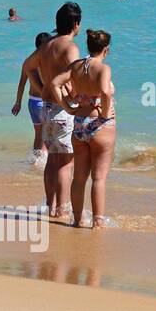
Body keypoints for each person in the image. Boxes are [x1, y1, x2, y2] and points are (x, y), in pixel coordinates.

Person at [51, 29, 116, 228]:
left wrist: (68, 107)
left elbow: (55, 83)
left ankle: (78, 220)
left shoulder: (77, 66)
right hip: (100, 125)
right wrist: (104, 114)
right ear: (106, 49)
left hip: (79, 123)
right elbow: (105, 91)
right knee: (99, 178)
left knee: (79, 177)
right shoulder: (103, 69)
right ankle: (97, 222)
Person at [38, 2, 83, 218]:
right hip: (61, 108)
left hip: (45, 106)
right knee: (66, 162)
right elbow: (76, 77)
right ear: (76, 24)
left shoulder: (46, 44)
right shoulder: (71, 47)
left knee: (52, 160)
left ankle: (50, 205)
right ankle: (61, 209)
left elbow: (31, 67)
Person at [11, 32, 53, 166]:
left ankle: (34, 160)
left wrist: (18, 102)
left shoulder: (28, 61)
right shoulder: (44, 63)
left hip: (32, 102)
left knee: (38, 134)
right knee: (46, 136)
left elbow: (22, 84)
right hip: (43, 102)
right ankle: (42, 163)